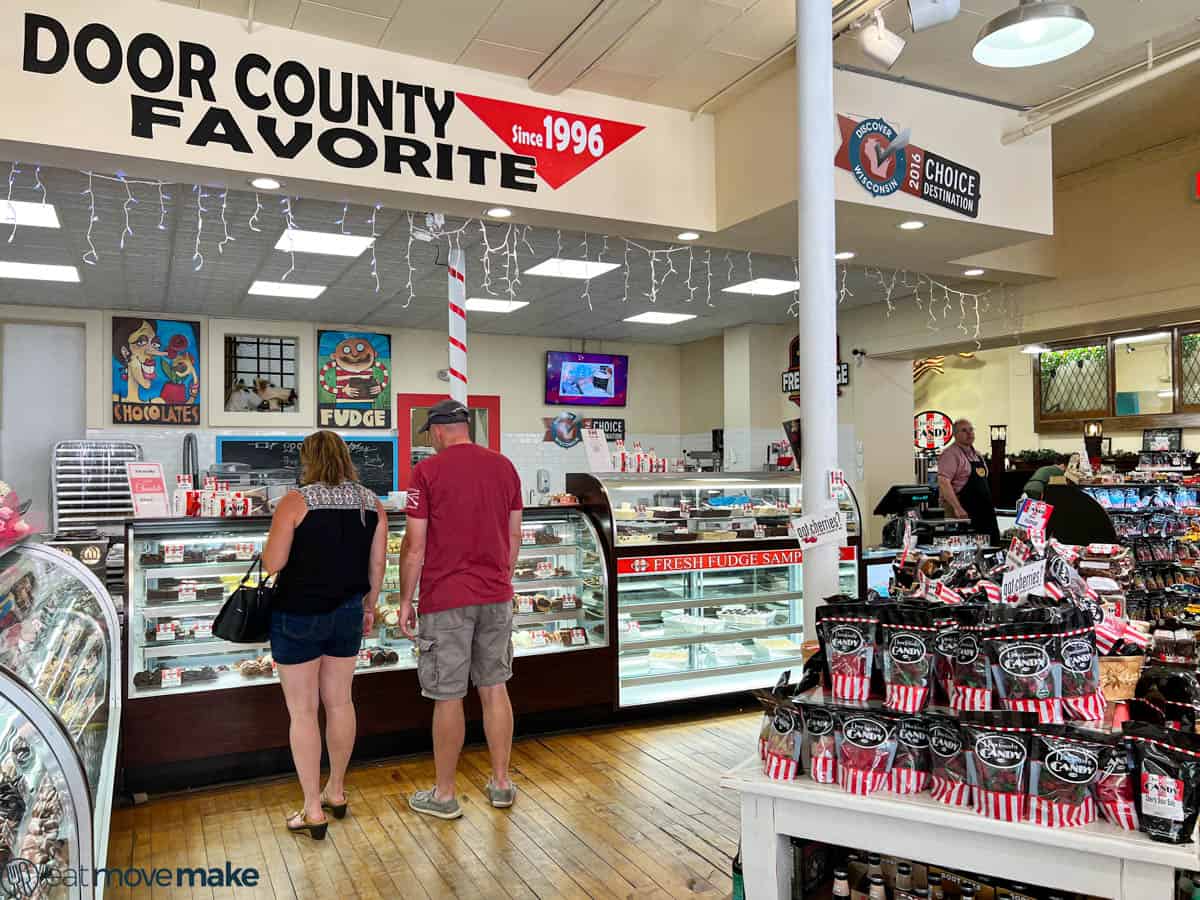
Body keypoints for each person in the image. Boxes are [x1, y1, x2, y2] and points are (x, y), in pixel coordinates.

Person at [398, 398, 522, 820]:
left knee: (448, 695)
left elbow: (414, 547)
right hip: (496, 595)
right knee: (494, 687)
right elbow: (515, 534)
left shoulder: (427, 471)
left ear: (435, 431)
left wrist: (404, 601)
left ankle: (445, 795)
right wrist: (502, 578)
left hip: (446, 598)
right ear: (466, 427)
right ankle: (502, 783)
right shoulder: (504, 466)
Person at [262, 431, 386, 839]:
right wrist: (370, 607)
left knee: (302, 712)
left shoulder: (295, 502)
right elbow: (378, 565)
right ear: (347, 458)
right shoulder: (372, 503)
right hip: (348, 613)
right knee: (340, 703)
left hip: (297, 615)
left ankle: (313, 809)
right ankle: (336, 791)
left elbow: (273, 563)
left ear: (308, 460)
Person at [936, 418, 1000, 546]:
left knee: (992, 546)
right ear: (955, 434)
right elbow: (943, 482)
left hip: (983, 511)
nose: (969, 433)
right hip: (962, 510)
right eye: (964, 430)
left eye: (971, 429)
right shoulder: (950, 454)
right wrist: (957, 508)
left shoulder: (977, 454)